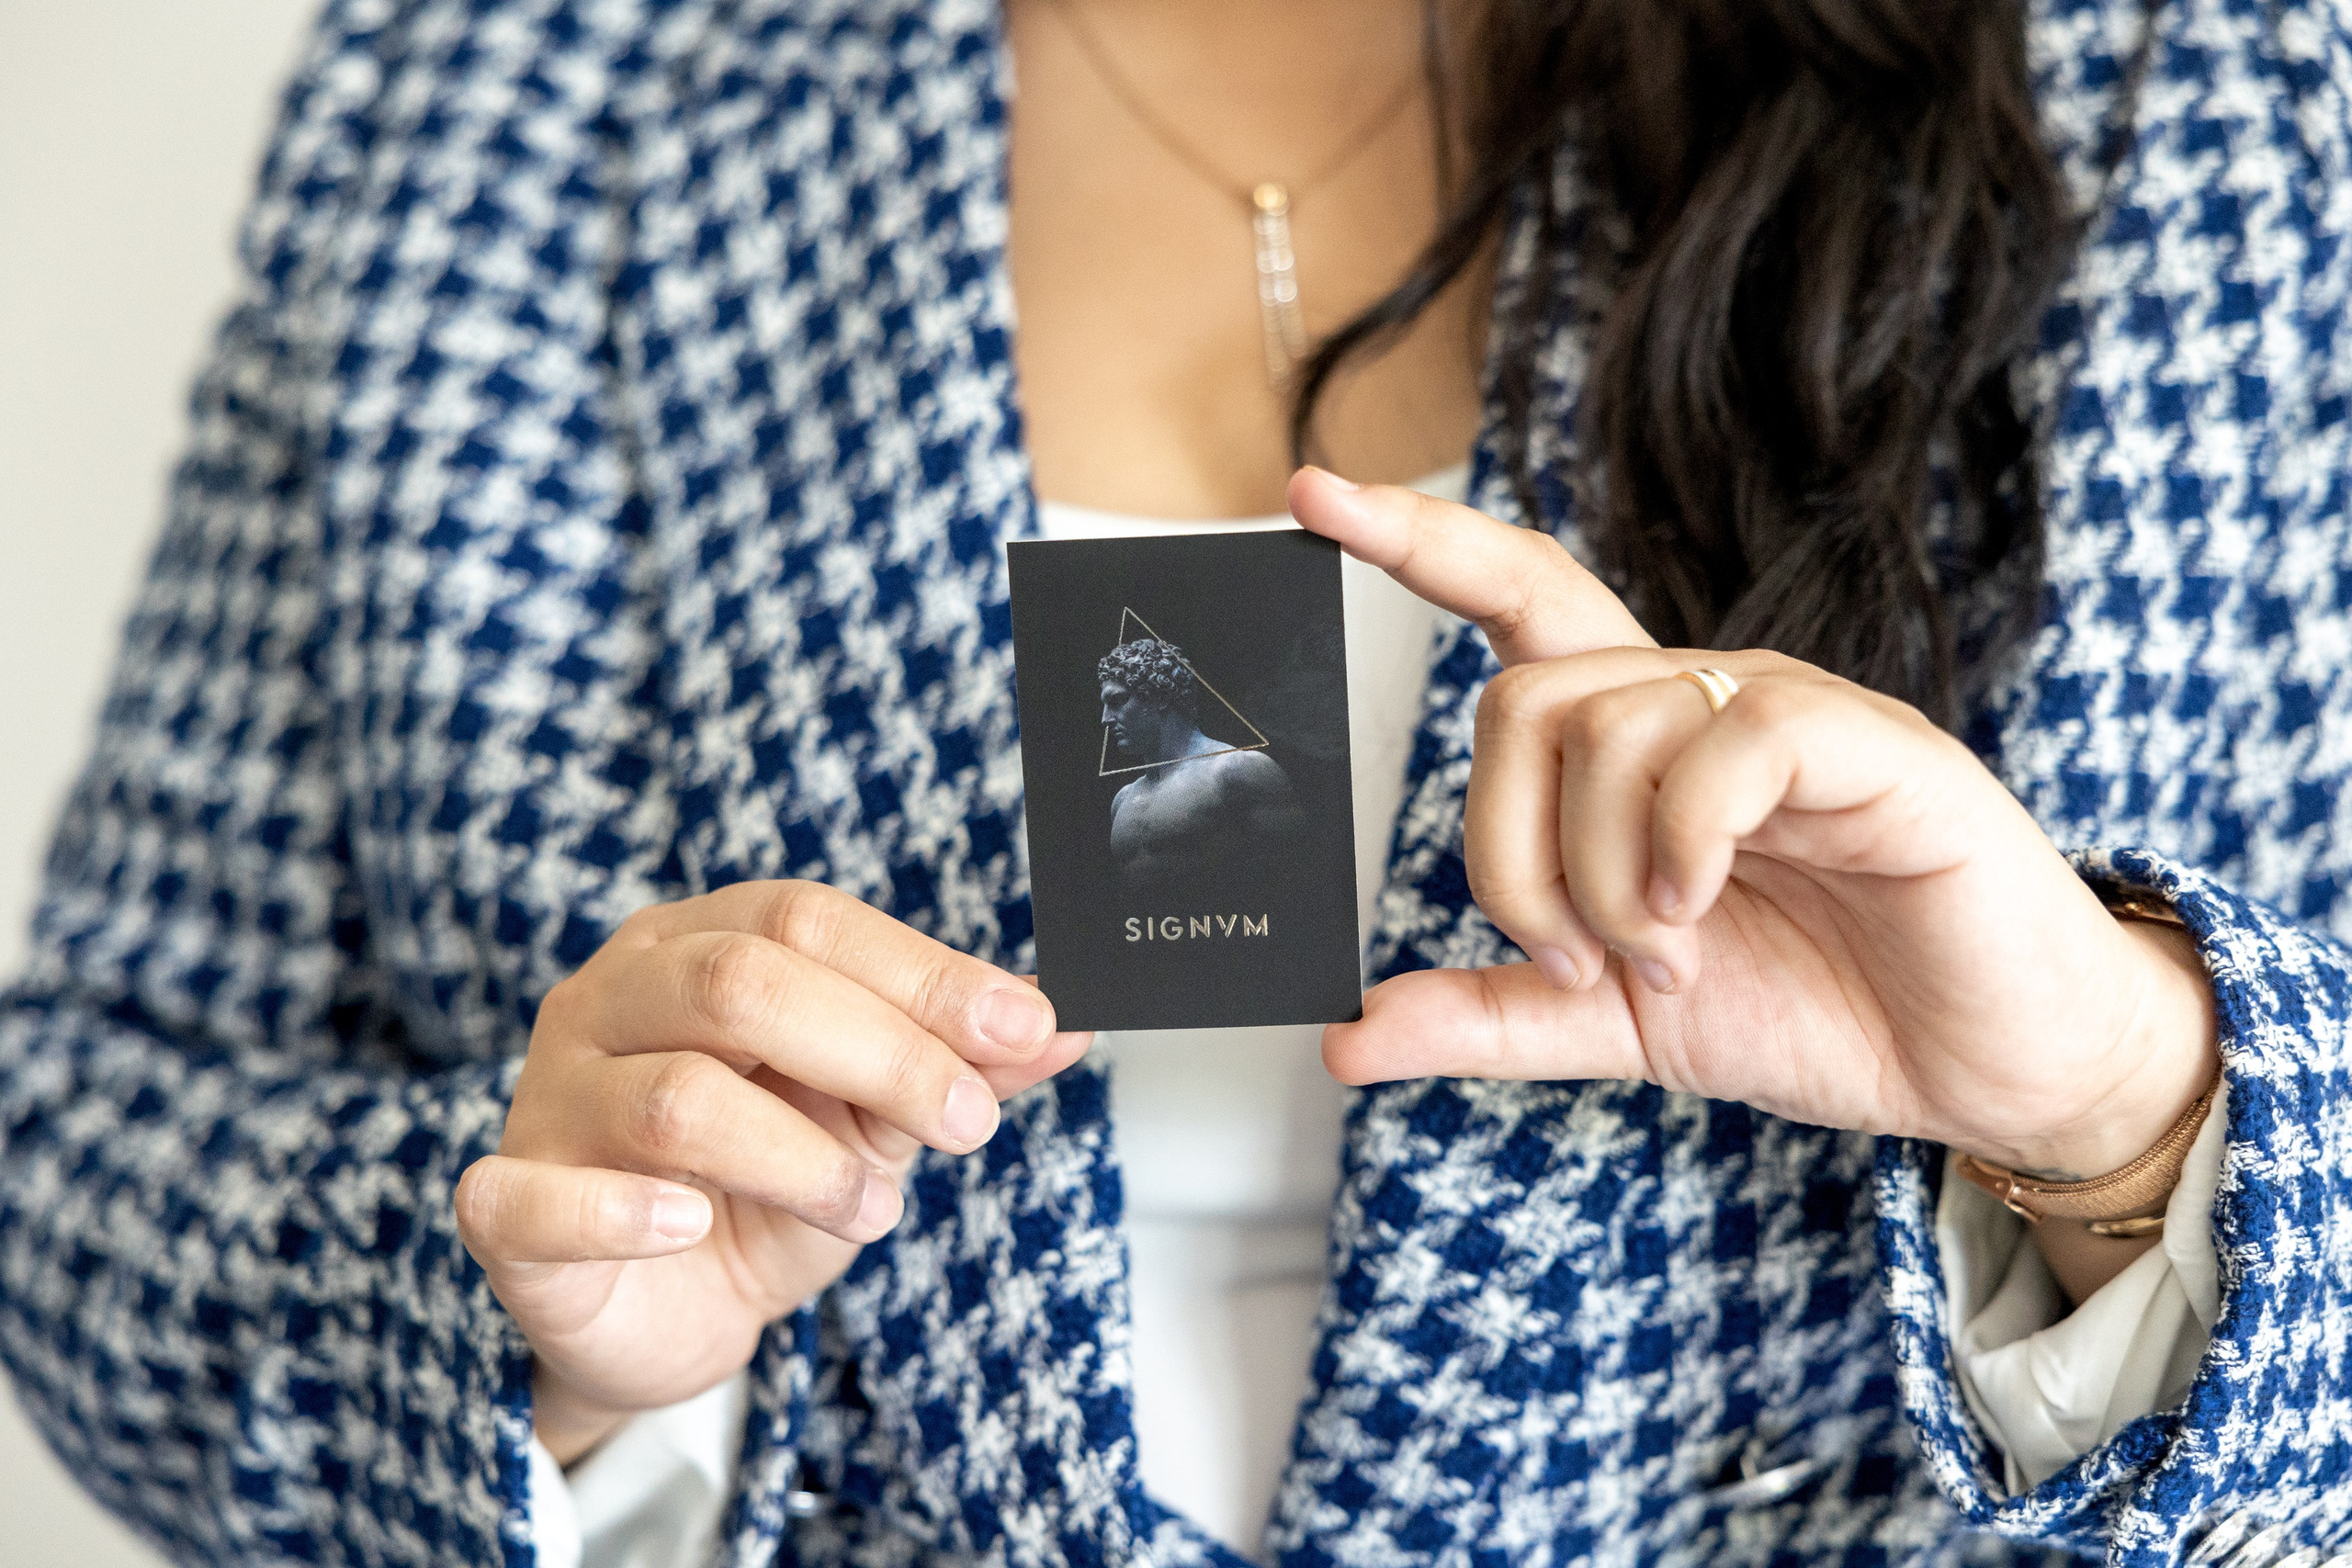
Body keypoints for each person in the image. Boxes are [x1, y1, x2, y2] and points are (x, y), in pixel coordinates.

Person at [0, 1, 2346, 1566]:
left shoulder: (2210, 100)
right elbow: (84, 1133)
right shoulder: (500, 90)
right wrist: (548, 1322)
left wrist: (2133, 1109)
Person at [1097, 638, 1302, 890]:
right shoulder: (1123, 800)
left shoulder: (1239, 770)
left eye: (1117, 702)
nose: (1105, 719)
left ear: (1159, 697)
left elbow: (1295, 881)